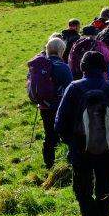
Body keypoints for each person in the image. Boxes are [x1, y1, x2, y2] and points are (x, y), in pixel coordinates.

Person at [55, 51, 109, 216]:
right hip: (107, 150)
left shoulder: (73, 88)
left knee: (82, 191)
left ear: (82, 67)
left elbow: (59, 123)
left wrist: (70, 141)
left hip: (80, 151)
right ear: (103, 67)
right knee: (104, 188)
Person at [27, 37, 73, 169]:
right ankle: (68, 162)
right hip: (60, 106)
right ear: (61, 51)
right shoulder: (63, 67)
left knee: (49, 135)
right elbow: (70, 89)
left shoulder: (40, 66)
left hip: (44, 106)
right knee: (67, 133)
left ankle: (49, 164)